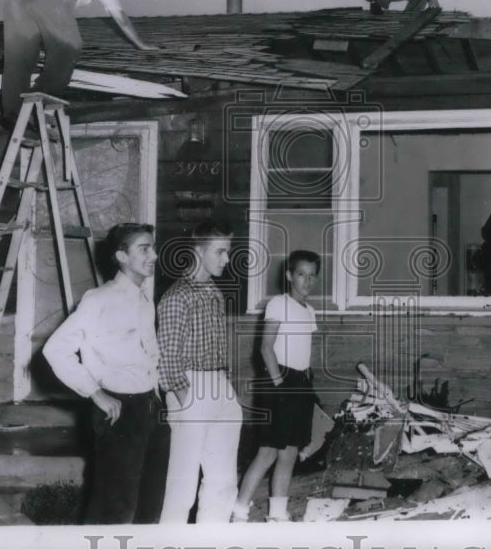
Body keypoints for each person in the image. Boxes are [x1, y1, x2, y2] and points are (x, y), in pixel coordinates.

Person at [42, 223, 169, 524]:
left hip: (150, 407)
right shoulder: (99, 299)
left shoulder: (144, 300)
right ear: (121, 256)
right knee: (115, 507)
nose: (154, 254)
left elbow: (149, 355)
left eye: (153, 247)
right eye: (144, 248)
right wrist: (95, 393)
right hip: (119, 410)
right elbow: (55, 349)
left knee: (150, 503)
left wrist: (159, 396)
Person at [0, 0, 158, 130]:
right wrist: (140, 44)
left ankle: (12, 113)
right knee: (70, 46)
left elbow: (51, 21)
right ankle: (40, 96)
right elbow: (119, 15)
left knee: (19, 56)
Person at [156, 220, 243, 523]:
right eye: (220, 252)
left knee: (223, 482)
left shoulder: (213, 292)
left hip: (218, 385)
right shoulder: (176, 297)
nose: (227, 259)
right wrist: (185, 398)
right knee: (182, 485)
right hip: (190, 386)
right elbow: (167, 356)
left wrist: (224, 387)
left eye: (227, 252)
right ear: (197, 251)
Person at [232, 250, 320, 523]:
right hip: (277, 381)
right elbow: (266, 346)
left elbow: (303, 349)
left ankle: (278, 515)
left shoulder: (309, 311)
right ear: (289, 275)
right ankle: (238, 513)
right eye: (301, 274)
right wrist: (279, 382)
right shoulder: (278, 304)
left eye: (312, 275)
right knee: (268, 451)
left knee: (290, 452)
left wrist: (305, 384)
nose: (306, 281)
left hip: (299, 382)